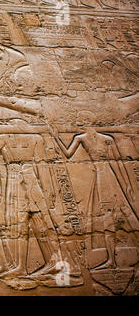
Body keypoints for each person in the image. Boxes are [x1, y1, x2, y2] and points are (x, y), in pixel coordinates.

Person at [50, 111, 138, 269]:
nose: (77, 122)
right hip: (100, 178)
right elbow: (68, 154)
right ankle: (111, 260)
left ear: (86, 121)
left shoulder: (107, 139)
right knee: (107, 219)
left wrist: (128, 186)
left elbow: (119, 162)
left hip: (108, 178)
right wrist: (56, 137)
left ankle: (115, 258)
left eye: (79, 119)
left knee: (125, 214)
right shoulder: (80, 138)